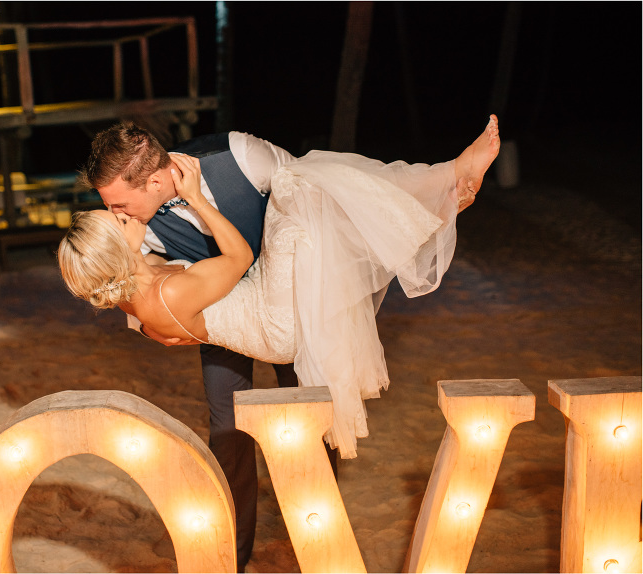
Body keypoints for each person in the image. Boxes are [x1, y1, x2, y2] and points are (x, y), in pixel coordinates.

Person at [59, 116, 499, 566]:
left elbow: (324, 199)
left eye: (118, 203)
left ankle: (317, 544)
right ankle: (231, 555)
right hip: (224, 317)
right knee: (228, 433)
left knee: (312, 421)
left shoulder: (238, 155)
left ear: (154, 181)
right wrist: (156, 327)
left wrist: (162, 324)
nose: (116, 212)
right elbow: (121, 277)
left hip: (286, 297)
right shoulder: (136, 226)